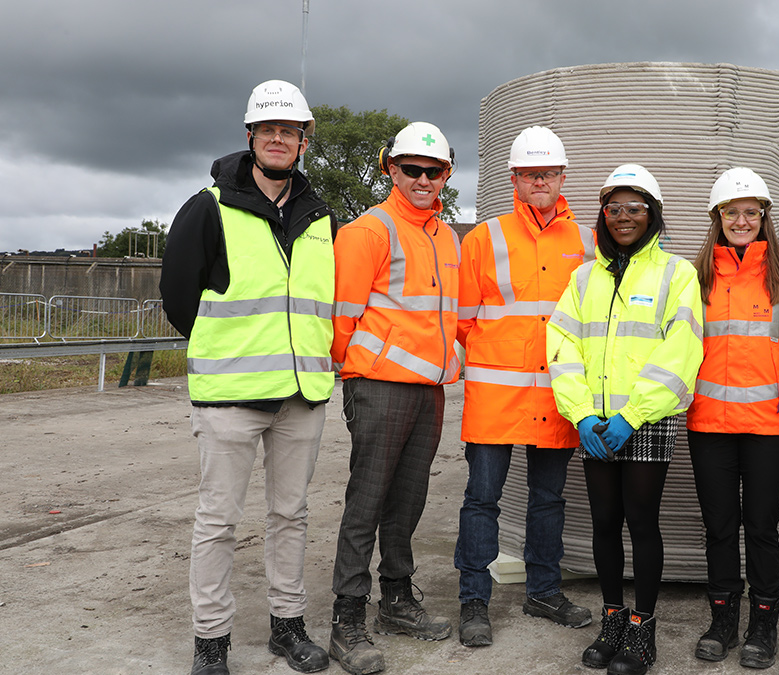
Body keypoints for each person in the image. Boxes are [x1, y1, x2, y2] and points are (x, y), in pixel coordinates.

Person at [160, 79, 334, 675]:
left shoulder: (319, 215)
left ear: (304, 141)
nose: (279, 139)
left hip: (302, 395)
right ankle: (211, 644)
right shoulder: (208, 207)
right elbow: (179, 301)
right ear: (252, 136)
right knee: (218, 522)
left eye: (291, 131)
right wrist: (231, 353)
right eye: (269, 129)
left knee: (292, 515)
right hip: (231, 397)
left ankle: (288, 628)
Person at [547, 164, 703, 675]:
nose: (623, 217)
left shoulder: (676, 274)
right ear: (603, 215)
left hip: (647, 419)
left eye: (634, 208)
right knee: (604, 523)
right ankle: (612, 619)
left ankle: (642, 629)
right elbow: (563, 344)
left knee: (641, 522)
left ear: (652, 214)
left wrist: (631, 415)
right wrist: (583, 415)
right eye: (613, 208)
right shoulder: (584, 276)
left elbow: (681, 350)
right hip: (594, 423)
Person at [326, 122, 460, 675]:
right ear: (390, 170)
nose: (423, 179)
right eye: (412, 169)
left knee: (407, 501)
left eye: (433, 171)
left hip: (428, 390)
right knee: (368, 501)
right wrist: (358, 371)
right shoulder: (368, 231)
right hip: (378, 388)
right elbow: (341, 317)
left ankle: (397, 599)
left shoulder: (446, 237)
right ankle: (347, 618)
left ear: (446, 176)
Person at [454, 125, 595, 647]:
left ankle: (543, 591)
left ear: (563, 178)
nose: (540, 180)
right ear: (515, 177)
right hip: (495, 397)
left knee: (548, 500)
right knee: (481, 500)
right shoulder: (484, 238)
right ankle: (474, 600)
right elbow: (464, 321)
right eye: (531, 173)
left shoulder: (586, 241)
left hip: (557, 397)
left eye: (549, 172)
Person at [687, 168, 779, 670]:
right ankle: (722, 619)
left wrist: (775, 388)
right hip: (709, 426)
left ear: (764, 217)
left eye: (750, 212)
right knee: (719, 527)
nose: (741, 220)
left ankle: (764, 621)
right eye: (731, 212)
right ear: (717, 219)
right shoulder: (696, 279)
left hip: (769, 426)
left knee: (761, 526)